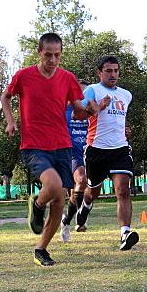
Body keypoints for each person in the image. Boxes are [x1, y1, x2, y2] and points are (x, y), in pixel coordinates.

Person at [1, 32, 89, 266]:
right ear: (39, 52)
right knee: (53, 186)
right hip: (34, 145)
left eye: (57, 55)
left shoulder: (67, 78)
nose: (52, 60)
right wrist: (11, 121)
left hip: (62, 144)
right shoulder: (24, 76)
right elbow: (6, 97)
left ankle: (41, 249)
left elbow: (78, 109)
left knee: (59, 200)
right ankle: (37, 204)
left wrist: (91, 109)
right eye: (48, 54)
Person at [73, 56, 139, 251]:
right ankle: (84, 207)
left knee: (123, 189)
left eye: (116, 71)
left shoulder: (126, 95)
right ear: (99, 72)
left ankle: (125, 233)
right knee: (93, 191)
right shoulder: (92, 90)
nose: (113, 74)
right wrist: (97, 107)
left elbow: (118, 118)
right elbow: (78, 114)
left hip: (119, 148)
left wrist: (125, 128)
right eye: (108, 71)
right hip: (96, 149)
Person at [60, 80, 89, 242]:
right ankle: (81, 217)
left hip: (90, 153)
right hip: (72, 153)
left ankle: (66, 221)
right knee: (81, 179)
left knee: (76, 192)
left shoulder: (90, 111)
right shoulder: (65, 110)